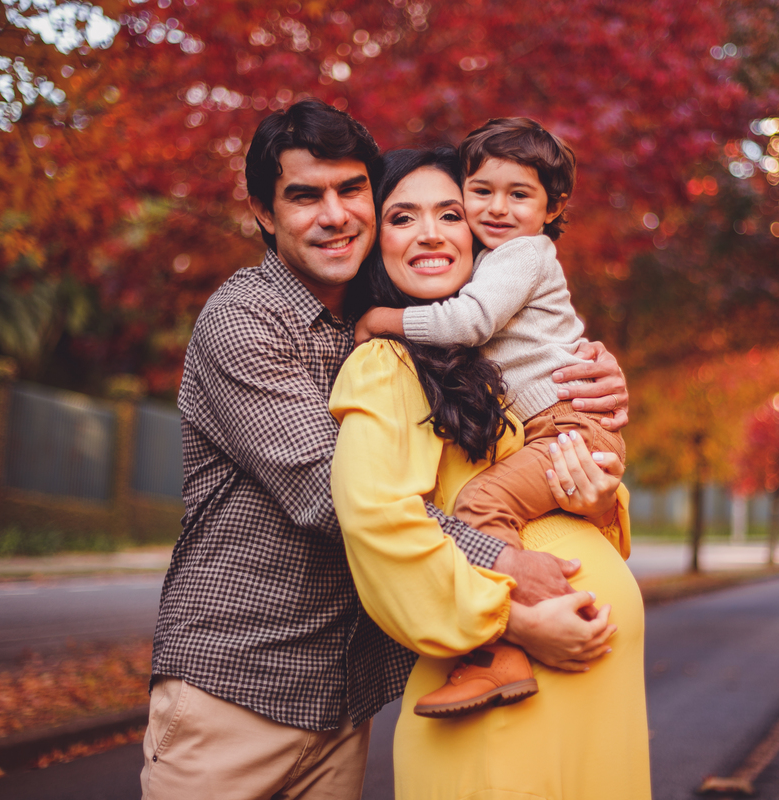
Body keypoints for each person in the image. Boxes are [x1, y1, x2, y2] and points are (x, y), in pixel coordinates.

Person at [140, 99, 630, 800]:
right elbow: (336, 500)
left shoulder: (416, 341)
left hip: (346, 700)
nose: (335, 215)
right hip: (237, 686)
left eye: (350, 191)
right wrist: (510, 596)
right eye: (305, 196)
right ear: (262, 210)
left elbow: (519, 466)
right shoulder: (245, 322)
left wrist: (594, 427)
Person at [330, 147, 651, 799]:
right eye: (402, 217)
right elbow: (381, 522)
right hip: (501, 685)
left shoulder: (495, 365)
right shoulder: (385, 360)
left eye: (450, 213)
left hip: (592, 677)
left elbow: (568, 504)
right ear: (375, 243)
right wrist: (510, 621)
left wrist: (599, 497)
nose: (430, 232)